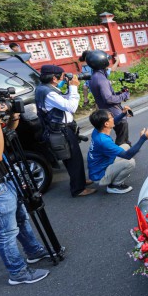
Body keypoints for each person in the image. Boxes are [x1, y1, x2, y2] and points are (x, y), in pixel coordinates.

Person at [0, 98, 51, 285]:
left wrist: (13, 116)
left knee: (22, 220)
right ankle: (17, 272)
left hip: (5, 181)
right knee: (6, 233)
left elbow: (5, 134)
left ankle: (34, 251)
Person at [36, 65, 96, 197]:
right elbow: (71, 106)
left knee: (71, 158)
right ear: (54, 78)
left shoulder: (43, 88)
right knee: (74, 159)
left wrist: (70, 88)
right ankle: (78, 189)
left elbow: (64, 101)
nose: (65, 78)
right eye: (63, 76)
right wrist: (74, 88)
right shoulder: (49, 93)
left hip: (59, 128)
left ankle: (79, 181)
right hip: (61, 130)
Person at [87, 109, 148, 194]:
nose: (113, 118)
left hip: (100, 167)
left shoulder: (97, 130)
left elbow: (113, 121)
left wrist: (123, 114)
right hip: (100, 176)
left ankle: (117, 173)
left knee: (126, 146)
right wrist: (143, 138)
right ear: (106, 124)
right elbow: (128, 155)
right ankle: (115, 185)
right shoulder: (103, 141)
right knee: (130, 162)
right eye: (111, 117)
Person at [87, 50, 131, 146]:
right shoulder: (101, 79)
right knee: (122, 131)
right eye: (107, 60)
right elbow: (109, 99)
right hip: (112, 111)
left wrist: (119, 93)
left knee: (121, 132)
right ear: (102, 61)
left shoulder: (94, 76)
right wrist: (124, 95)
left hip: (105, 109)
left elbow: (104, 95)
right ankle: (121, 152)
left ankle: (127, 145)